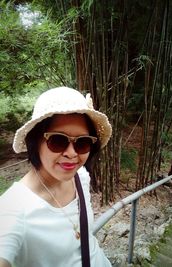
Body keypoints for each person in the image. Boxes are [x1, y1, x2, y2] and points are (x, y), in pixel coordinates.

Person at [0, 87, 112, 267]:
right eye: (58, 140)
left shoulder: (81, 177)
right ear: (35, 142)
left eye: (82, 143)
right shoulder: (12, 211)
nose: (71, 153)